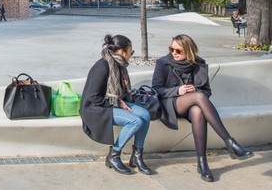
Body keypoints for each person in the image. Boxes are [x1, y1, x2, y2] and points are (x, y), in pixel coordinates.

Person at [151, 34, 253, 182]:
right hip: (171, 105)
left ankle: (202, 163)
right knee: (199, 97)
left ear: (188, 50)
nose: (174, 53)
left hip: (192, 106)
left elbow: (207, 91)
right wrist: (177, 91)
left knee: (198, 111)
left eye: (178, 51)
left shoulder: (199, 63)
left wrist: (194, 90)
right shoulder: (163, 62)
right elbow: (156, 89)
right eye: (172, 49)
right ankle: (230, 143)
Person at [80, 34, 153, 175]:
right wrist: (118, 103)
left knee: (145, 115)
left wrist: (121, 100)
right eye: (130, 52)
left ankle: (137, 157)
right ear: (121, 51)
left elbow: (119, 92)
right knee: (135, 121)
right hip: (96, 108)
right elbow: (93, 96)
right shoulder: (102, 66)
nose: (131, 55)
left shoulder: (119, 65)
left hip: (113, 104)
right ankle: (114, 155)